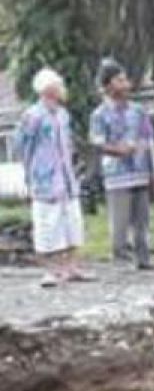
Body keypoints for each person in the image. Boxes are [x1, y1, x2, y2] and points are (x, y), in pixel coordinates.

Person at [16, 68, 93, 287]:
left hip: (67, 177)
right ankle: (50, 270)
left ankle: (71, 267)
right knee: (48, 225)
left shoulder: (62, 114)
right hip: (45, 178)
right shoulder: (33, 116)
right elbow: (24, 147)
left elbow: (67, 144)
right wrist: (30, 174)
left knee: (72, 222)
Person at [89, 58, 154, 269]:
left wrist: (153, 168)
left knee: (142, 220)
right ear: (108, 85)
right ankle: (120, 259)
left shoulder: (138, 110)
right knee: (120, 220)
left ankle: (143, 258)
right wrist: (119, 150)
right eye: (119, 80)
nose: (125, 84)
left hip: (140, 171)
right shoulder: (100, 114)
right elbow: (97, 142)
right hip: (116, 174)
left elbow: (148, 139)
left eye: (125, 79)